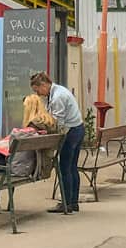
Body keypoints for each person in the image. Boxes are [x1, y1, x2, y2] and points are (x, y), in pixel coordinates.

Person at [0, 94, 58, 214]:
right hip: (39, 166)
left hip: (27, 167)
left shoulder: (33, 126)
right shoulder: (48, 122)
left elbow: (16, 143)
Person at [30, 71, 85, 214]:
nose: (38, 95)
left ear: (43, 85)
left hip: (70, 132)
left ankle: (66, 203)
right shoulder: (58, 91)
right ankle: (73, 202)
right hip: (78, 129)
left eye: (37, 90)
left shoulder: (58, 97)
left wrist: (44, 132)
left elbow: (57, 123)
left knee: (64, 167)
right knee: (72, 167)